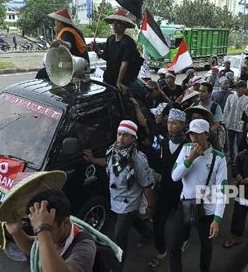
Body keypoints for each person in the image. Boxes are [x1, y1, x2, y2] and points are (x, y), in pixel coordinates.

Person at [84, 120, 155, 270]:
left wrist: (151, 207)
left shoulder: (138, 159)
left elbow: (146, 186)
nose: (121, 138)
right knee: (133, 219)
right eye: (119, 134)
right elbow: (107, 162)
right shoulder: (113, 150)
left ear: (134, 138)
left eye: (126, 135)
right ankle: (148, 234)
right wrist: (92, 160)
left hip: (128, 202)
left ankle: (118, 266)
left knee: (119, 235)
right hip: (115, 198)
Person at [170, 119, 228, 272]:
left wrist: (217, 219)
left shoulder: (219, 158)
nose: (193, 138)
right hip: (185, 205)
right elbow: (175, 176)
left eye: (197, 134)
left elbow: (222, 190)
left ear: (207, 135)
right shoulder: (186, 150)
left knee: (206, 246)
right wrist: (190, 159)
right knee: (174, 246)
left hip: (206, 210)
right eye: (191, 134)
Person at [5, 189, 97, 271]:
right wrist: (16, 232)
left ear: (65, 222)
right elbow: (33, 248)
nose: (36, 233)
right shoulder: (47, 234)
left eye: (48, 227)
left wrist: (42, 229)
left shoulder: (85, 246)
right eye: (34, 225)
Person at [149, 109, 190, 269]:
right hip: (165, 189)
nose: (170, 126)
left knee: (186, 220)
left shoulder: (189, 145)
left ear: (182, 125)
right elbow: (160, 165)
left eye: (174, 123)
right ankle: (161, 250)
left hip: (183, 192)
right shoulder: (164, 142)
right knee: (158, 220)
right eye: (168, 122)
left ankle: (185, 239)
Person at [36, 9, 90, 80]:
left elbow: (69, 45)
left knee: (43, 73)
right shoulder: (73, 30)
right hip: (74, 62)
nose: (54, 23)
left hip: (77, 63)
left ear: (60, 22)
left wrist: (61, 42)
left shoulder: (67, 31)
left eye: (55, 21)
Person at [97, 9, 141, 92]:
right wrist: (97, 50)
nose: (115, 25)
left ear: (124, 26)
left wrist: (119, 81)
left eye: (118, 23)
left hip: (122, 80)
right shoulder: (110, 39)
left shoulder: (128, 42)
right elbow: (106, 56)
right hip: (109, 77)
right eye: (113, 22)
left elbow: (125, 62)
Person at [223, 80, 248, 164]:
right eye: (243, 88)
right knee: (231, 143)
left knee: (239, 143)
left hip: (240, 125)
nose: (245, 89)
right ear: (238, 88)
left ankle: (239, 158)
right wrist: (224, 120)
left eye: (245, 88)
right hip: (230, 123)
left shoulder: (247, 99)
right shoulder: (230, 97)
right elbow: (226, 109)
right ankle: (231, 158)